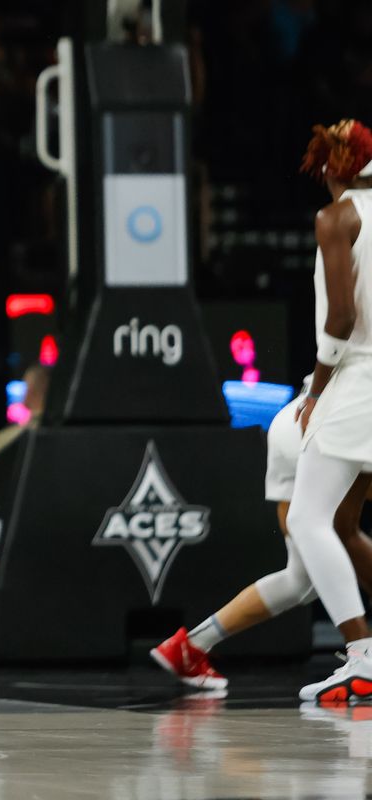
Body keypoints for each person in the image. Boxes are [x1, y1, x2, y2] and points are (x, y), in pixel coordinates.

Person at [152, 376, 372, 689]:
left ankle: (190, 647)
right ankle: (362, 655)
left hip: (293, 420)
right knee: (341, 530)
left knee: (300, 579)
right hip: (328, 421)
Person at [283, 119, 372, 703]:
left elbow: (340, 316)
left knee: (307, 519)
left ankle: (361, 655)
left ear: (332, 167)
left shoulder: (336, 217)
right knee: (344, 525)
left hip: (357, 384)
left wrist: (315, 390)